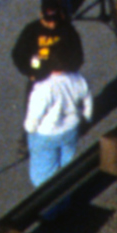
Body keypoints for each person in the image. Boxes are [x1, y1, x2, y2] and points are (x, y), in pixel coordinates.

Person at [23, 56, 96, 186]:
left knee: (43, 175)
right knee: (67, 167)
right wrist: (86, 119)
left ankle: (52, 201)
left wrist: (30, 130)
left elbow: (34, 118)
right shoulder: (77, 79)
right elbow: (87, 100)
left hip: (46, 134)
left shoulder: (43, 88)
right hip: (71, 129)